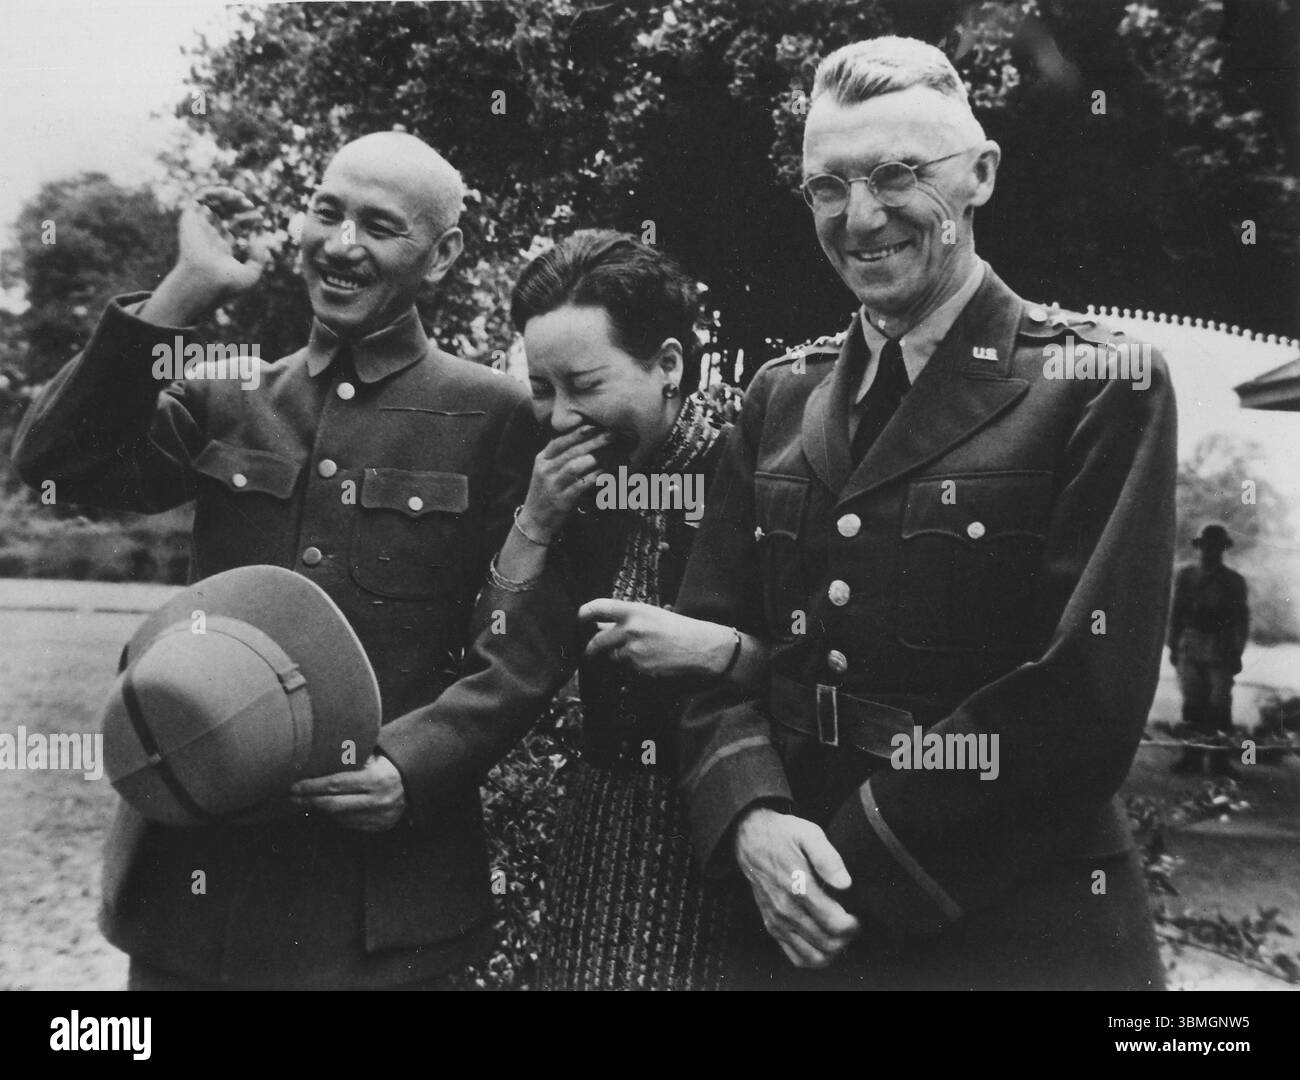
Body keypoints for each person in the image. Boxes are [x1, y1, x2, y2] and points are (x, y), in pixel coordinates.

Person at [672, 36, 1177, 989]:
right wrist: (752, 815)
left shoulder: (1098, 383)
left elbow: (1083, 695)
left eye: (897, 173)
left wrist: (840, 860)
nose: (861, 218)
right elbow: (706, 643)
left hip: (1011, 928)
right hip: (794, 927)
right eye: (829, 186)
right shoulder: (781, 397)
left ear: (980, 174)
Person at [12, 131, 540, 989]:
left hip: (378, 909)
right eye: (326, 211)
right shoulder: (227, 390)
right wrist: (187, 291)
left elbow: (524, 635)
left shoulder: (497, 415)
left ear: (441, 256)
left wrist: (418, 762)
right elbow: (53, 464)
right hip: (199, 889)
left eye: (379, 225)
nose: (340, 244)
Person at [391, 230, 768, 988]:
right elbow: (510, 654)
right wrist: (534, 522)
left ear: (669, 365)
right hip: (607, 831)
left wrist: (727, 651)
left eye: (586, 385)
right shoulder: (573, 488)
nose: (560, 417)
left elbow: (827, 664)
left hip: (740, 825)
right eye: (541, 387)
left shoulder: (753, 465)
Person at [1168, 523, 1250, 776]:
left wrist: (1238, 650)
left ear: (1223, 549)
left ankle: (1219, 759)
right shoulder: (1186, 576)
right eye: (1205, 545)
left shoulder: (1233, 581)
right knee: (1192, 703)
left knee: (1220, 704)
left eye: (1215, 546)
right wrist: (1173, 644)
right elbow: (1177, 613)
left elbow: (1241, 619)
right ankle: (1190, 756)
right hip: (1191, 642)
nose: (1209, 551)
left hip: (1221, 643)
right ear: (1199, 547)